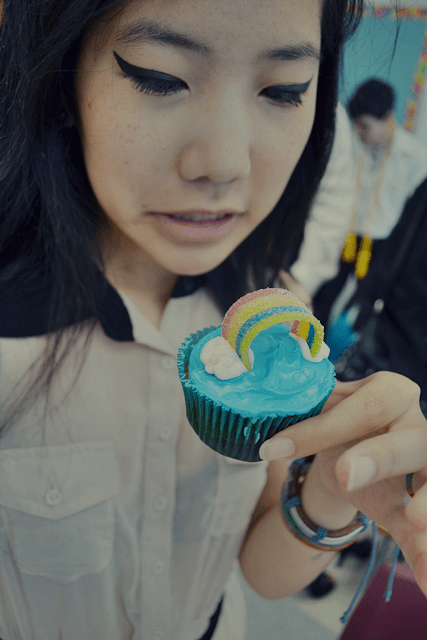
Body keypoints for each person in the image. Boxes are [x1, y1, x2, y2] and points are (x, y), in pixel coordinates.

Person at [0, 2, 427, 640]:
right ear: (60, 76)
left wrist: (335, 484)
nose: (224, 164)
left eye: (284, 90)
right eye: (159, 77)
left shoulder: (273, 320)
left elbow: (261, 570)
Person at [315, 78, 427, 331]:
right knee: (325, 294)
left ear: (388, 117)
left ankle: (349, 348)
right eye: (356, 126)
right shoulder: (355, 145)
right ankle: (311, 341)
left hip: (384, 243)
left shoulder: (416, 157)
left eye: (365, 126)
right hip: (349, 234)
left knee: (363, 305)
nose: (360, 133)